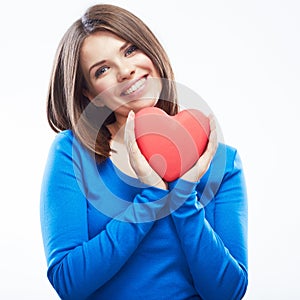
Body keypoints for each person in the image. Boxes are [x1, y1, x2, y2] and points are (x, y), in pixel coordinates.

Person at [40, 4, 248, 300]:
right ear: (90, 94)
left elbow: (228, 292)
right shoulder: (72, 154)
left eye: (130, 50)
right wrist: (151, 198)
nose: (125, 71)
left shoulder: (221, 162)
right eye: (102, 69)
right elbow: (68, 283)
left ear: (151, 51)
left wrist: (183, 194)